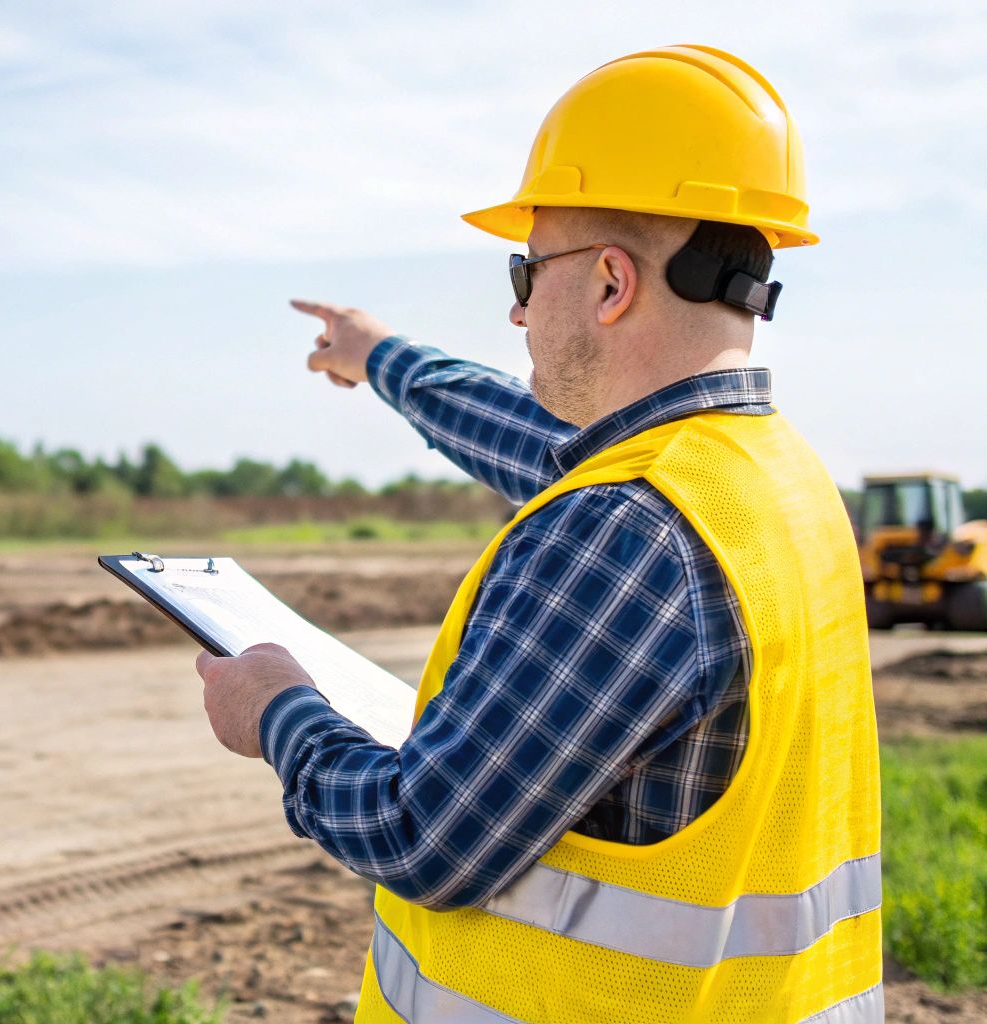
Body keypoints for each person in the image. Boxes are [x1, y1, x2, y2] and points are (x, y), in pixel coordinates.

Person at [194, 45, 881, 1023]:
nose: (514, 309)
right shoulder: (773, 481)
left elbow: (421, 833)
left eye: (526, 267)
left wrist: (274, 711)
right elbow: (537, 444)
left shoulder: (625, 533)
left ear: (607, 282)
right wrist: (377, 355)